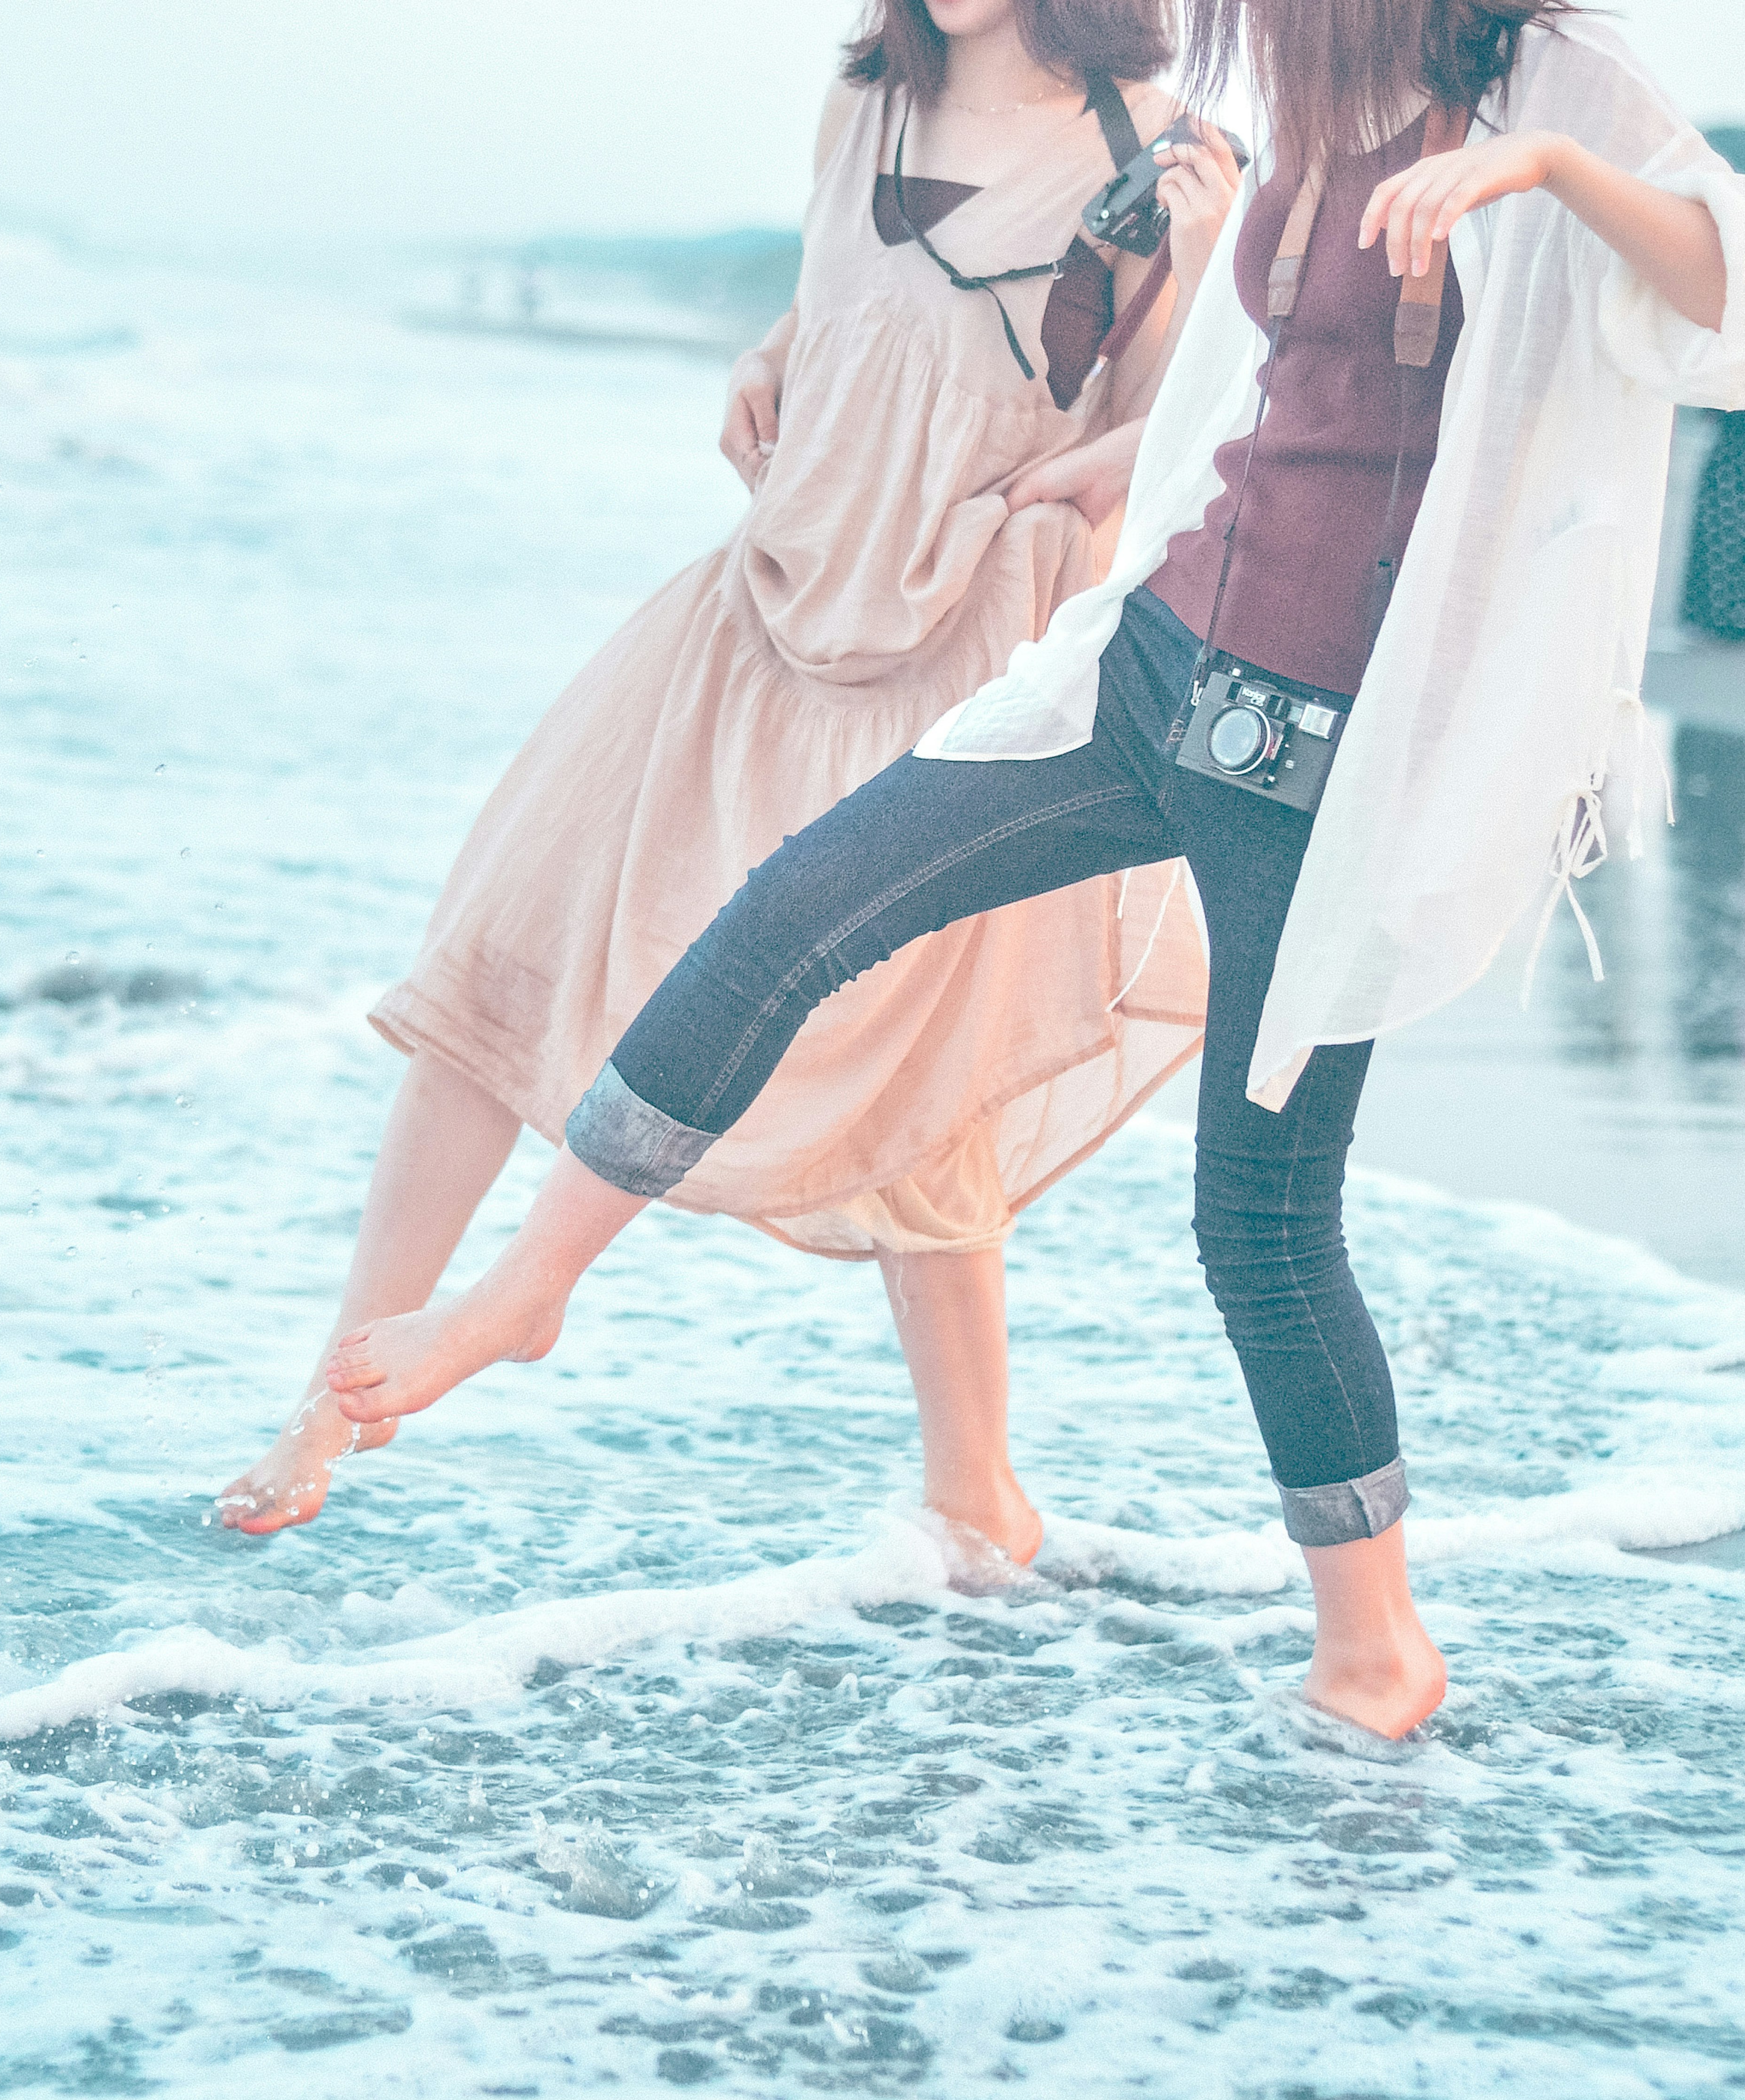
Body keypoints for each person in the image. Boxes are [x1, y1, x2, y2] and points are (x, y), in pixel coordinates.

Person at [319, 0, 1745, 1740]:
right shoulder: (1305, 82)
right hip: (1151, 666)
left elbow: (1716, 285)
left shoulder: (1541, 84)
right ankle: (532, 1285)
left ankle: (1378, 1646)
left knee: (1262, 1226)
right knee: (803, 900)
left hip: (1322, 768)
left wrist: (1544, 166)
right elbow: (1242, 404)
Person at [219, 0, 1242, 1565]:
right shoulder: (863, 106)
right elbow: (840, 314)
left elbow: (1176, 442)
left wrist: (1111, 453)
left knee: (922, 1071)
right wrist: (759, 363)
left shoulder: (1161, 161)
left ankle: (976, 1492)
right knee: (500, 960)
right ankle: (330, 1395)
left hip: (954, 636)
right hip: (760, 605)